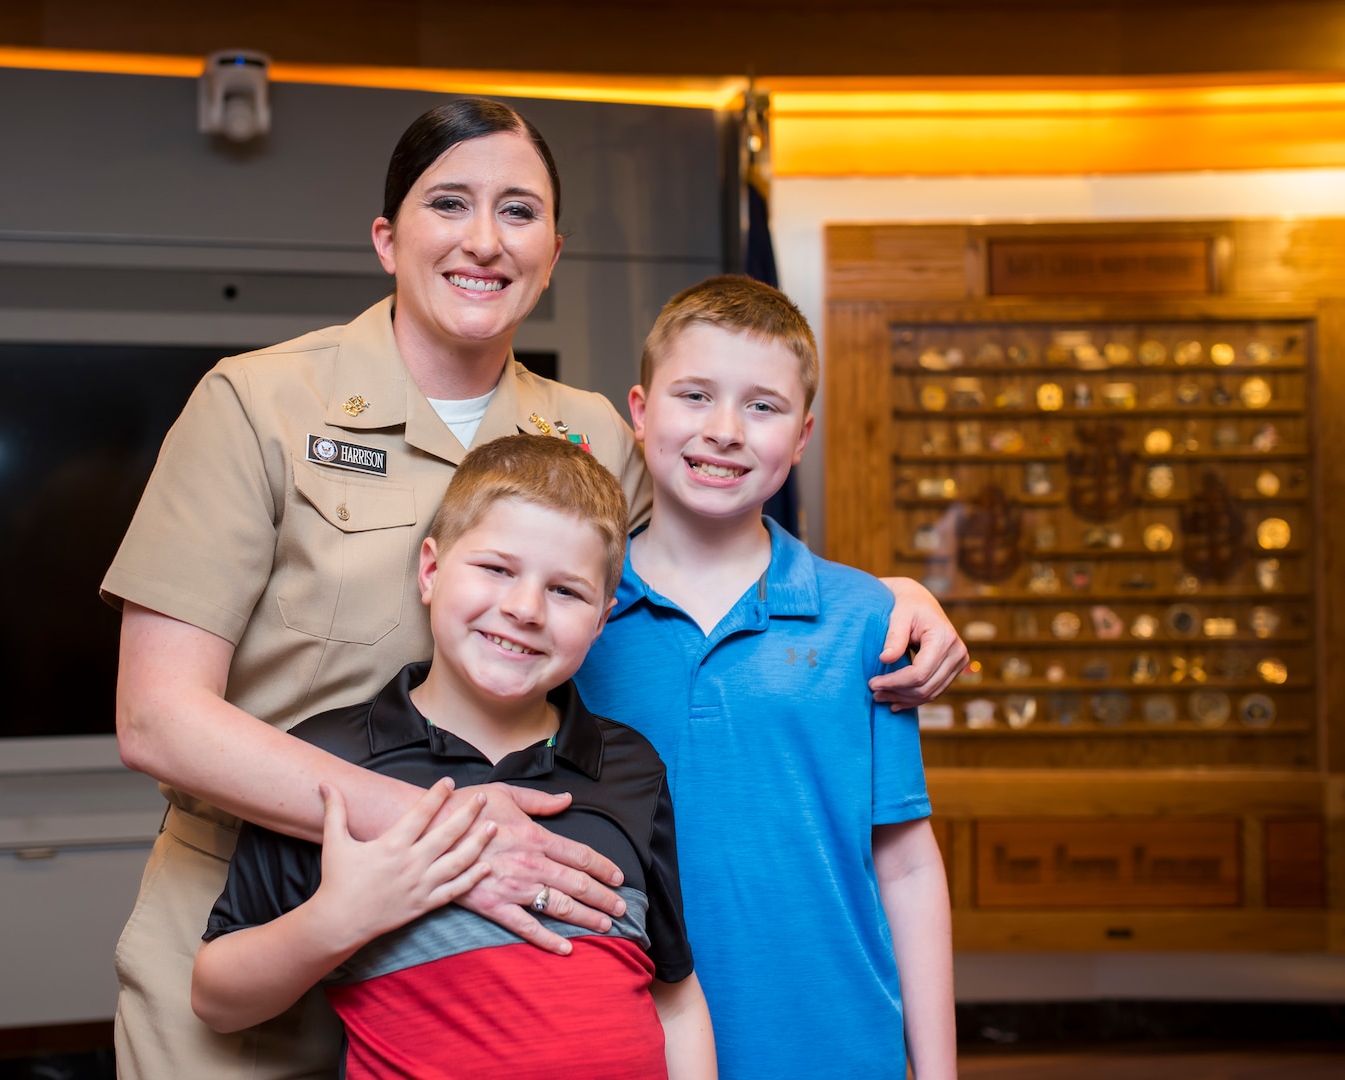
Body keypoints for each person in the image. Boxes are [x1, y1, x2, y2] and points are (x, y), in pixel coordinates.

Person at [102, 98, 964, 1079]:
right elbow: (156, 719)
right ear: (387, 238)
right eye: (448, 205)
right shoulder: (257, 406)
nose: (483, 240)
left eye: (518, 212)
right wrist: (454, 835)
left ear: (554, 253)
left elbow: (704, 556)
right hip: (263, 935)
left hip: (489, 978)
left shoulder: (589, 432)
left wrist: (890, 593)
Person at [192, 435, 715, 1079]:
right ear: (431, 571)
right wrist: (340, 918)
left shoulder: (631, 766)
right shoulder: (330, 760)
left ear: (604, 619)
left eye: (566, 592)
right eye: (497, 569)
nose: (524, 609)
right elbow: (217, 998)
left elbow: (676, 993)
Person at [574, 275, 957, 1079]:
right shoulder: (575, 621)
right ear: (640, 413)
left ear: (803, 434)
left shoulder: (865, 619)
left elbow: (908, 863)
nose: (724, 431)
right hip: (624, 1044)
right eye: (695, 396)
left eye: (762, 406)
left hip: (835, 1045)